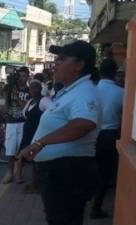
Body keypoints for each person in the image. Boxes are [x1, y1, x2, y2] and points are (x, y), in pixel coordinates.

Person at [18, 40, 101, 225]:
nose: (56, 63)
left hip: (69, 171)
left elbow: (83, 124)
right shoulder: (71, 91)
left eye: (62, 59)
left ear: (79, 65)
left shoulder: (84, 92)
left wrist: (40, 143)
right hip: (60, 172)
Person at [91, 58, 124, 219]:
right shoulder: (121, 92)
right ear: (115, 72)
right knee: (105, 174)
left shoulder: (92, 91)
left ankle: (86, 203)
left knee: (90, 169)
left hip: (90, 135)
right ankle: (96, 208)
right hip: (109, 137)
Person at [15, 79, 52, 188]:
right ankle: (18, 176)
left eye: (35, 87)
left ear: (40, 89)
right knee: (22, 154)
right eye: (31, 88)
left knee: (35, 157)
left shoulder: (44, 100)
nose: (32, 90)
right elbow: (24, 113)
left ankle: (35, 182)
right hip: (27, 132)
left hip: (37, 132)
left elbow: (54, 110)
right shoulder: (30, 101)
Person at [2, 73, 29, 184]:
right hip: (11, 123)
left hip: (23, 122)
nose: (22, 78)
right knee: (10, 148)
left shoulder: (29, 90)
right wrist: (4, 109)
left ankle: (18, 173)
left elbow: (26, 107)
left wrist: (17, 98)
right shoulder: (8, 89)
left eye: (24, 76)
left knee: (20, 148)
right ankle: (9, 173)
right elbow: (2, 105)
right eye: (20, 76)